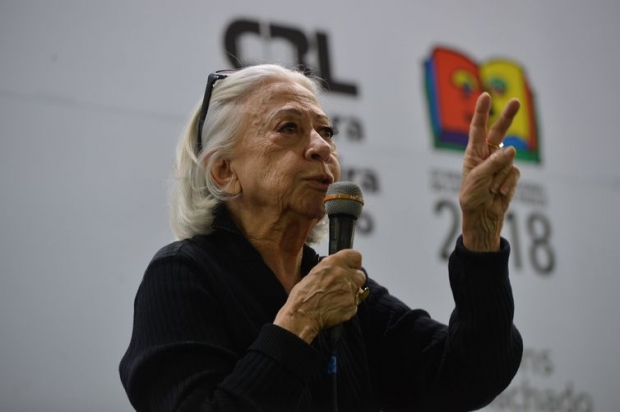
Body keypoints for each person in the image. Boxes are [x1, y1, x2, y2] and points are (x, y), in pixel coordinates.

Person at [119, 64, 523, 412]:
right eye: (289, 128)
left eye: (326, 131)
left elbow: (468, 374)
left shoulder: (341, 286)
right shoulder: (183, 275)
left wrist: (481, 235)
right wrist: (300, 322)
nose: (319, 147)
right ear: (225, 171)